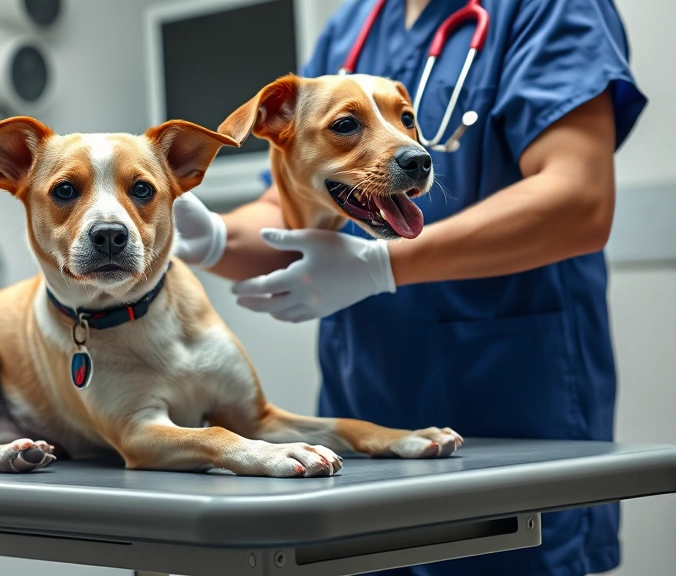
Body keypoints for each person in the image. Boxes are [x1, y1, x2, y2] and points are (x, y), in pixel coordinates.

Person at [171, 1, 647, 575]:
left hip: (512, 409)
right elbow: (291, 203)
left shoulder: (547, 9)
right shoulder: (355, 25)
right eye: (348, 125)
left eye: (406, 121)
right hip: (363, 422)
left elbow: (579, 200)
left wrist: (382, 265)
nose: (409, 150)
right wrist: (212, 239)